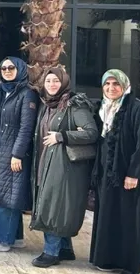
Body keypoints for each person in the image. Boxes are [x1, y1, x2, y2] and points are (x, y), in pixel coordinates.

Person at [29, 67, 98, 268]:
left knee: (54, 206)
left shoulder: (74, 105)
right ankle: (65, 249)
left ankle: (50, 253)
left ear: (64, 83)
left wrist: (62, 136)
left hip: (64, 166)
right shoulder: (46, 104)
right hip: (46, 161)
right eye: (48, 81)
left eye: (56, 81)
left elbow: (91, 133)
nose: (52, 85)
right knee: (54, 204)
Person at [90, 70, 140, 274]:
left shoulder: (137, 109)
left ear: (125, 85)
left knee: (129, 218)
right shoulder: (102, 109)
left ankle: (128, 264)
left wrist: (133, 173)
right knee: (108, 215)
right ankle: (106, 260)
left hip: (129, 176)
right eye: (107, 84)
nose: (111, 88)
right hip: (107, 175)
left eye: (116, 84)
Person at [0, 57, 38, 254]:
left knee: (7, 196)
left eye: (11, 67)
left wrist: (17, 154)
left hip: (14, 155)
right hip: (0, 151)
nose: (6, 70)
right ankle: (16, 238)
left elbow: (26, 127)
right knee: (10, 195)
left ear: (20, 69)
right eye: (3, 68)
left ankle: (1, 240)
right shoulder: (0, 91)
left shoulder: (27, 94)